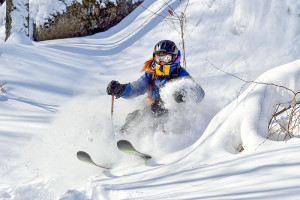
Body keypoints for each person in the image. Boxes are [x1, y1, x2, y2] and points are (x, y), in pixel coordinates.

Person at [106, 40, 205, 133]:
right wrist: (121, 90)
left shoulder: (180, 74)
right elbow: (137, 87)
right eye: (158, 58)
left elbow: (199, 92)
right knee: (135, 116)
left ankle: (162, 140)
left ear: (174, 58)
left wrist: (183, 94)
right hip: (150, 108)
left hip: (172, 114)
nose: (161, 62)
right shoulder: (152, 74)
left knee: (159, 107)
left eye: (166, 58)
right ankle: (122, 135)